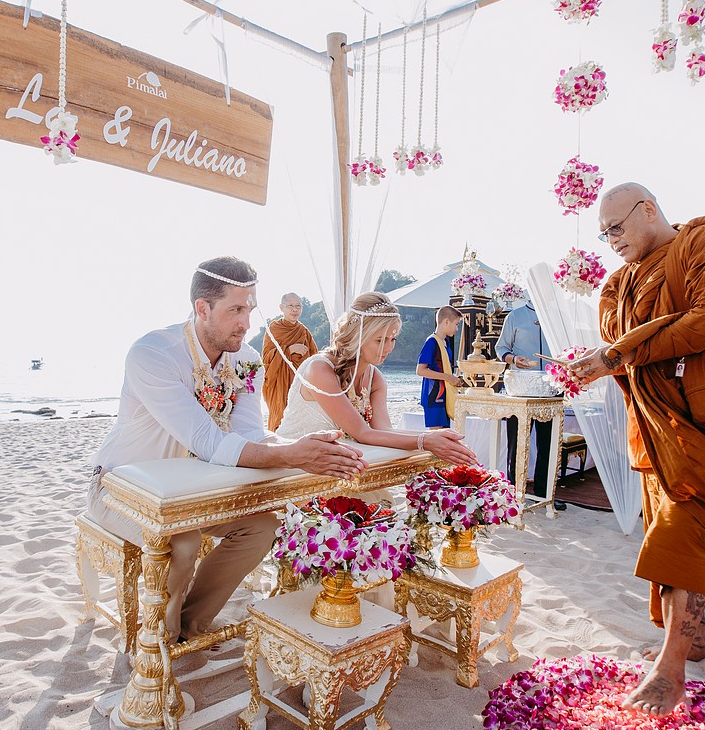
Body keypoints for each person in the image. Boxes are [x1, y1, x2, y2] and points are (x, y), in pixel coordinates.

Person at [86, 256, 366, 644]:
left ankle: (189, 623)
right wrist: (290, 455)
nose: (246, 323)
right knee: (181, 541)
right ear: (202, 308)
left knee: (263, 526)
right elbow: (208, 440)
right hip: (121, 490)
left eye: (249, 309)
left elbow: (250, 433)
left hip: (196, 491)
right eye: (235, 310)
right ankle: (158, 644)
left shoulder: (248, 359)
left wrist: (305, 447)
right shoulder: (153, 353)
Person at [564, 183, 705, 718]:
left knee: (680, 526)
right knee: (663, 527)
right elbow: (620, 355)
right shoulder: (617, 284)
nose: (610, 242)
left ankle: (671, 670)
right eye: (603, 234)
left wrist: (617, 353)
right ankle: (694, 640)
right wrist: (601, 360)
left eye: (616, 228)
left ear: (648, 210)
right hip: (653, 424)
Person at [276, 292, 477, 466]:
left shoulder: (375, 379)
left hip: (339, 465)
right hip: (296, 468)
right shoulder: (320, 369)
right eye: (380, 340)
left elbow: (383, 429)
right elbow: (363, 433)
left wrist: (435, 436)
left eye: (393, 339)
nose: (388, 348)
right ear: (358, 335)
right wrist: (425, 440)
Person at [496, 298, 554, 493]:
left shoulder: (555, 316)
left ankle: (543, 491)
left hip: (550, 389)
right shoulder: (515, 316)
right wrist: (513, 359)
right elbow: (501, 348)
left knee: (547, 444)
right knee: (516, 442)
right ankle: (513, 491)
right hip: (520, 390)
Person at [261, 293, 319, 431]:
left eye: (298, 306)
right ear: (282, 308)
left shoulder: (303, 331)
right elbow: (266, 358)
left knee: (301, 419)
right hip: (279, 382)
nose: (295, 310)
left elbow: (315, 358)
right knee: (281, 418)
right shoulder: (274, 329)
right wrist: (289, 350)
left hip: (299, 382)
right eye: (291, 306)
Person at [416, 306, 465, 429]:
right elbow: (420, 370)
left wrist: (453, 378)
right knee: (436, 436)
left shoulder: (446, 343)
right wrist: (448, 377)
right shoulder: (431, 342)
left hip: (444, 395)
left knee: (445, 433)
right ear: (446, 322)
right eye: (456, 324)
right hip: (434, 395)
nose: (457, 328)